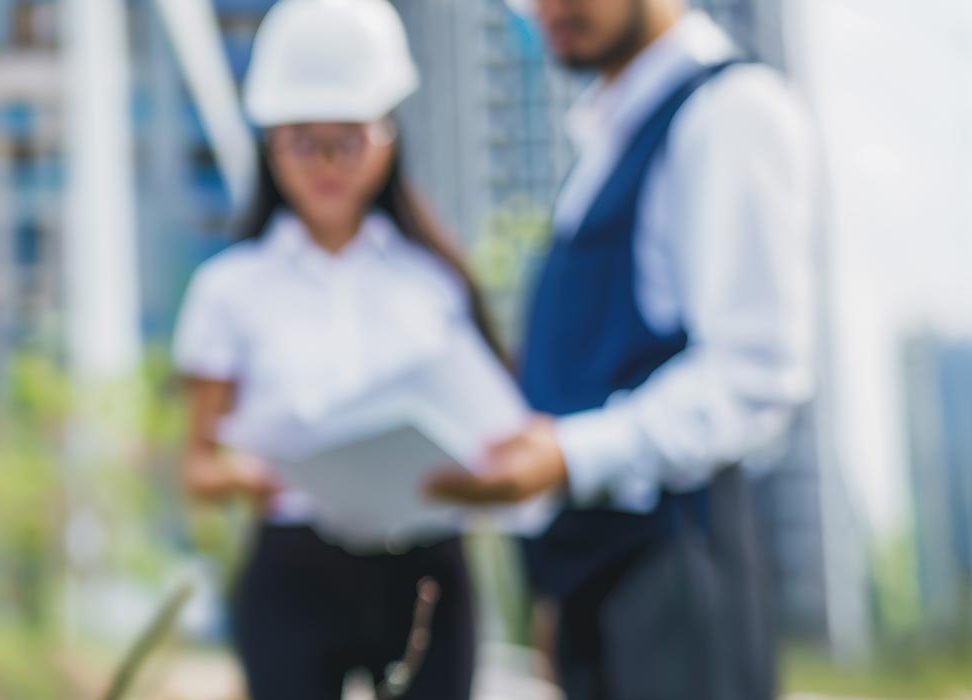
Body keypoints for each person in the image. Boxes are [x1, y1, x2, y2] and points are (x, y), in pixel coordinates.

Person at [422, 0, 820, 698]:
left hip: (677, 581)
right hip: (596, 585)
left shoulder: (729, 113)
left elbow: (754, 375)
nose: (545, 9)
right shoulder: (604, 141)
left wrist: (569, 457)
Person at [173, 1, 502, 697]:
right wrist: (251, 476)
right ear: (270, 146)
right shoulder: (228, 290)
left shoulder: (434, 280)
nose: (326, 163)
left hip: (425, 561)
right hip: (295, 569)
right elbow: (198, 466)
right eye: (302, 141)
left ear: (388, 138)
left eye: (347, 140)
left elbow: (492, 429)